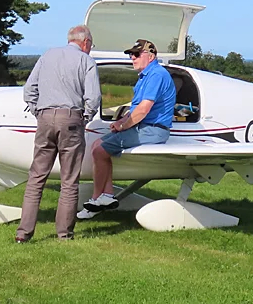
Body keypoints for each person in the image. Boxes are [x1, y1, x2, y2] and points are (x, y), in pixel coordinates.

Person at [15, 25, 102, 243]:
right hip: (71, 118)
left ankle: (23, 233)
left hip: (44, 118)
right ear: (85, 42)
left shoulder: (47, 56)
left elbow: (29, 90)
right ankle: (64, 234)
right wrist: (84, 118)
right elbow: (93, 98)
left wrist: (39, 112)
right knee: (69, 180)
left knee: (36, 177)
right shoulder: (86, 61)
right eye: (90, 45)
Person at [78, 38, 176, 219]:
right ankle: (106, 196)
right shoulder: (145, 77)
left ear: (151, 56)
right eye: (131, 54)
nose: (132, 57)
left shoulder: (156, 75)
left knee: (100, 151)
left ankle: (96, 199)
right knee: (97, 145)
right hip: (145, 126)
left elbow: (143, 110)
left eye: (136, 54)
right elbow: (134, 110)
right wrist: (120, 122)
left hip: (153, 129)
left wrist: (123, 125)